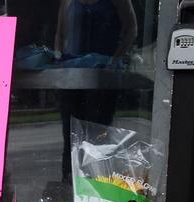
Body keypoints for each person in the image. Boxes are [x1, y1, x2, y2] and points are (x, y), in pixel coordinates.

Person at [53, 0, 137, 182]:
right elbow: (60, 35)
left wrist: (115, 60)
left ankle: (97, 187)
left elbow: (131, 29)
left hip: (102, 76)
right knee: (70, 138)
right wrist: (58, 59)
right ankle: (69, 187)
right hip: (72, 75)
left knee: (98, 136)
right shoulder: (67, 1)